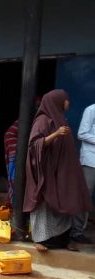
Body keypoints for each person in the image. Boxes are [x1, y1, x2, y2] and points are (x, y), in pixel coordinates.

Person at [23, 90, 92, 251]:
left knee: (65, 200)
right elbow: (35, 145)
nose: (68, 103)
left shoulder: (61, 119)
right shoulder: (42, 120)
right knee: (45, 205)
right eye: (66, 100)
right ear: (58, 101)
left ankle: (63, 241)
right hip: (47, 171)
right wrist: (56, 134)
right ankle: (40, 240)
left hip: (61, 171)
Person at [71, 102, 95, 243]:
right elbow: (81, 133)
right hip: (91, 160)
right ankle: (76, 231)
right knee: (85, 195)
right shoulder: (91, 110)